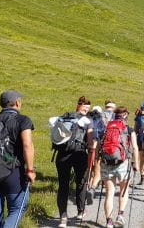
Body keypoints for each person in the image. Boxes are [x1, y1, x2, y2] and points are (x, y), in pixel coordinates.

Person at [0, 90, 36, 228]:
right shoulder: (23, 120)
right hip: (12, 172)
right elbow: (27, 144)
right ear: (17, 103)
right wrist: (30, 170)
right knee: (17, 208)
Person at [54, 96, 94, 228]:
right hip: (79, 154)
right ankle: (81, 211)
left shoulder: (63, 117)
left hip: (62, 154)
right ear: (81, 106)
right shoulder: (87, 121)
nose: (86, 110)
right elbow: (89, 141)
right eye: (86, 108)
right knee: (81, 182)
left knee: (63, 185)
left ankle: (63, 217)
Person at [101, 106, 139, 228]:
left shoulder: (107, 127)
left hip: (106, 163)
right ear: (126, 116)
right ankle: (120, 215)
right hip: (123, 163)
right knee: (123, 190)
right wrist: (136, 163)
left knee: (109, 193)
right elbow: (135, 148)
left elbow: (99, 146)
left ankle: (109, 222)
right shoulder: (128, 129)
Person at [89, 101, 116, 190]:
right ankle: (95, 185)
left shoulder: (91, 118)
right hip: (103, 144)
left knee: (91, 166)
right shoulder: (114, 117)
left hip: (89, 145)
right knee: (99, 165)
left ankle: (90, 184)